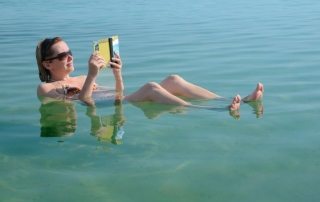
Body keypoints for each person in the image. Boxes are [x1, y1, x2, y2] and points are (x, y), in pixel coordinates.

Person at [35, 37, 263, 112]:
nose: (70, 57)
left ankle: (239, 100)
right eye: (63, 55)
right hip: (107, 106)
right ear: (47, 64)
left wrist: (117, 73)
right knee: (152, 87)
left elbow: (118, 91)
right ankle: (218, 110)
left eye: (70, 52)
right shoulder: (45, 88)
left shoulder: (84, 76)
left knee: (173, 79)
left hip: (117, 98)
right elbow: (86, 103)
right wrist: (94, 75)